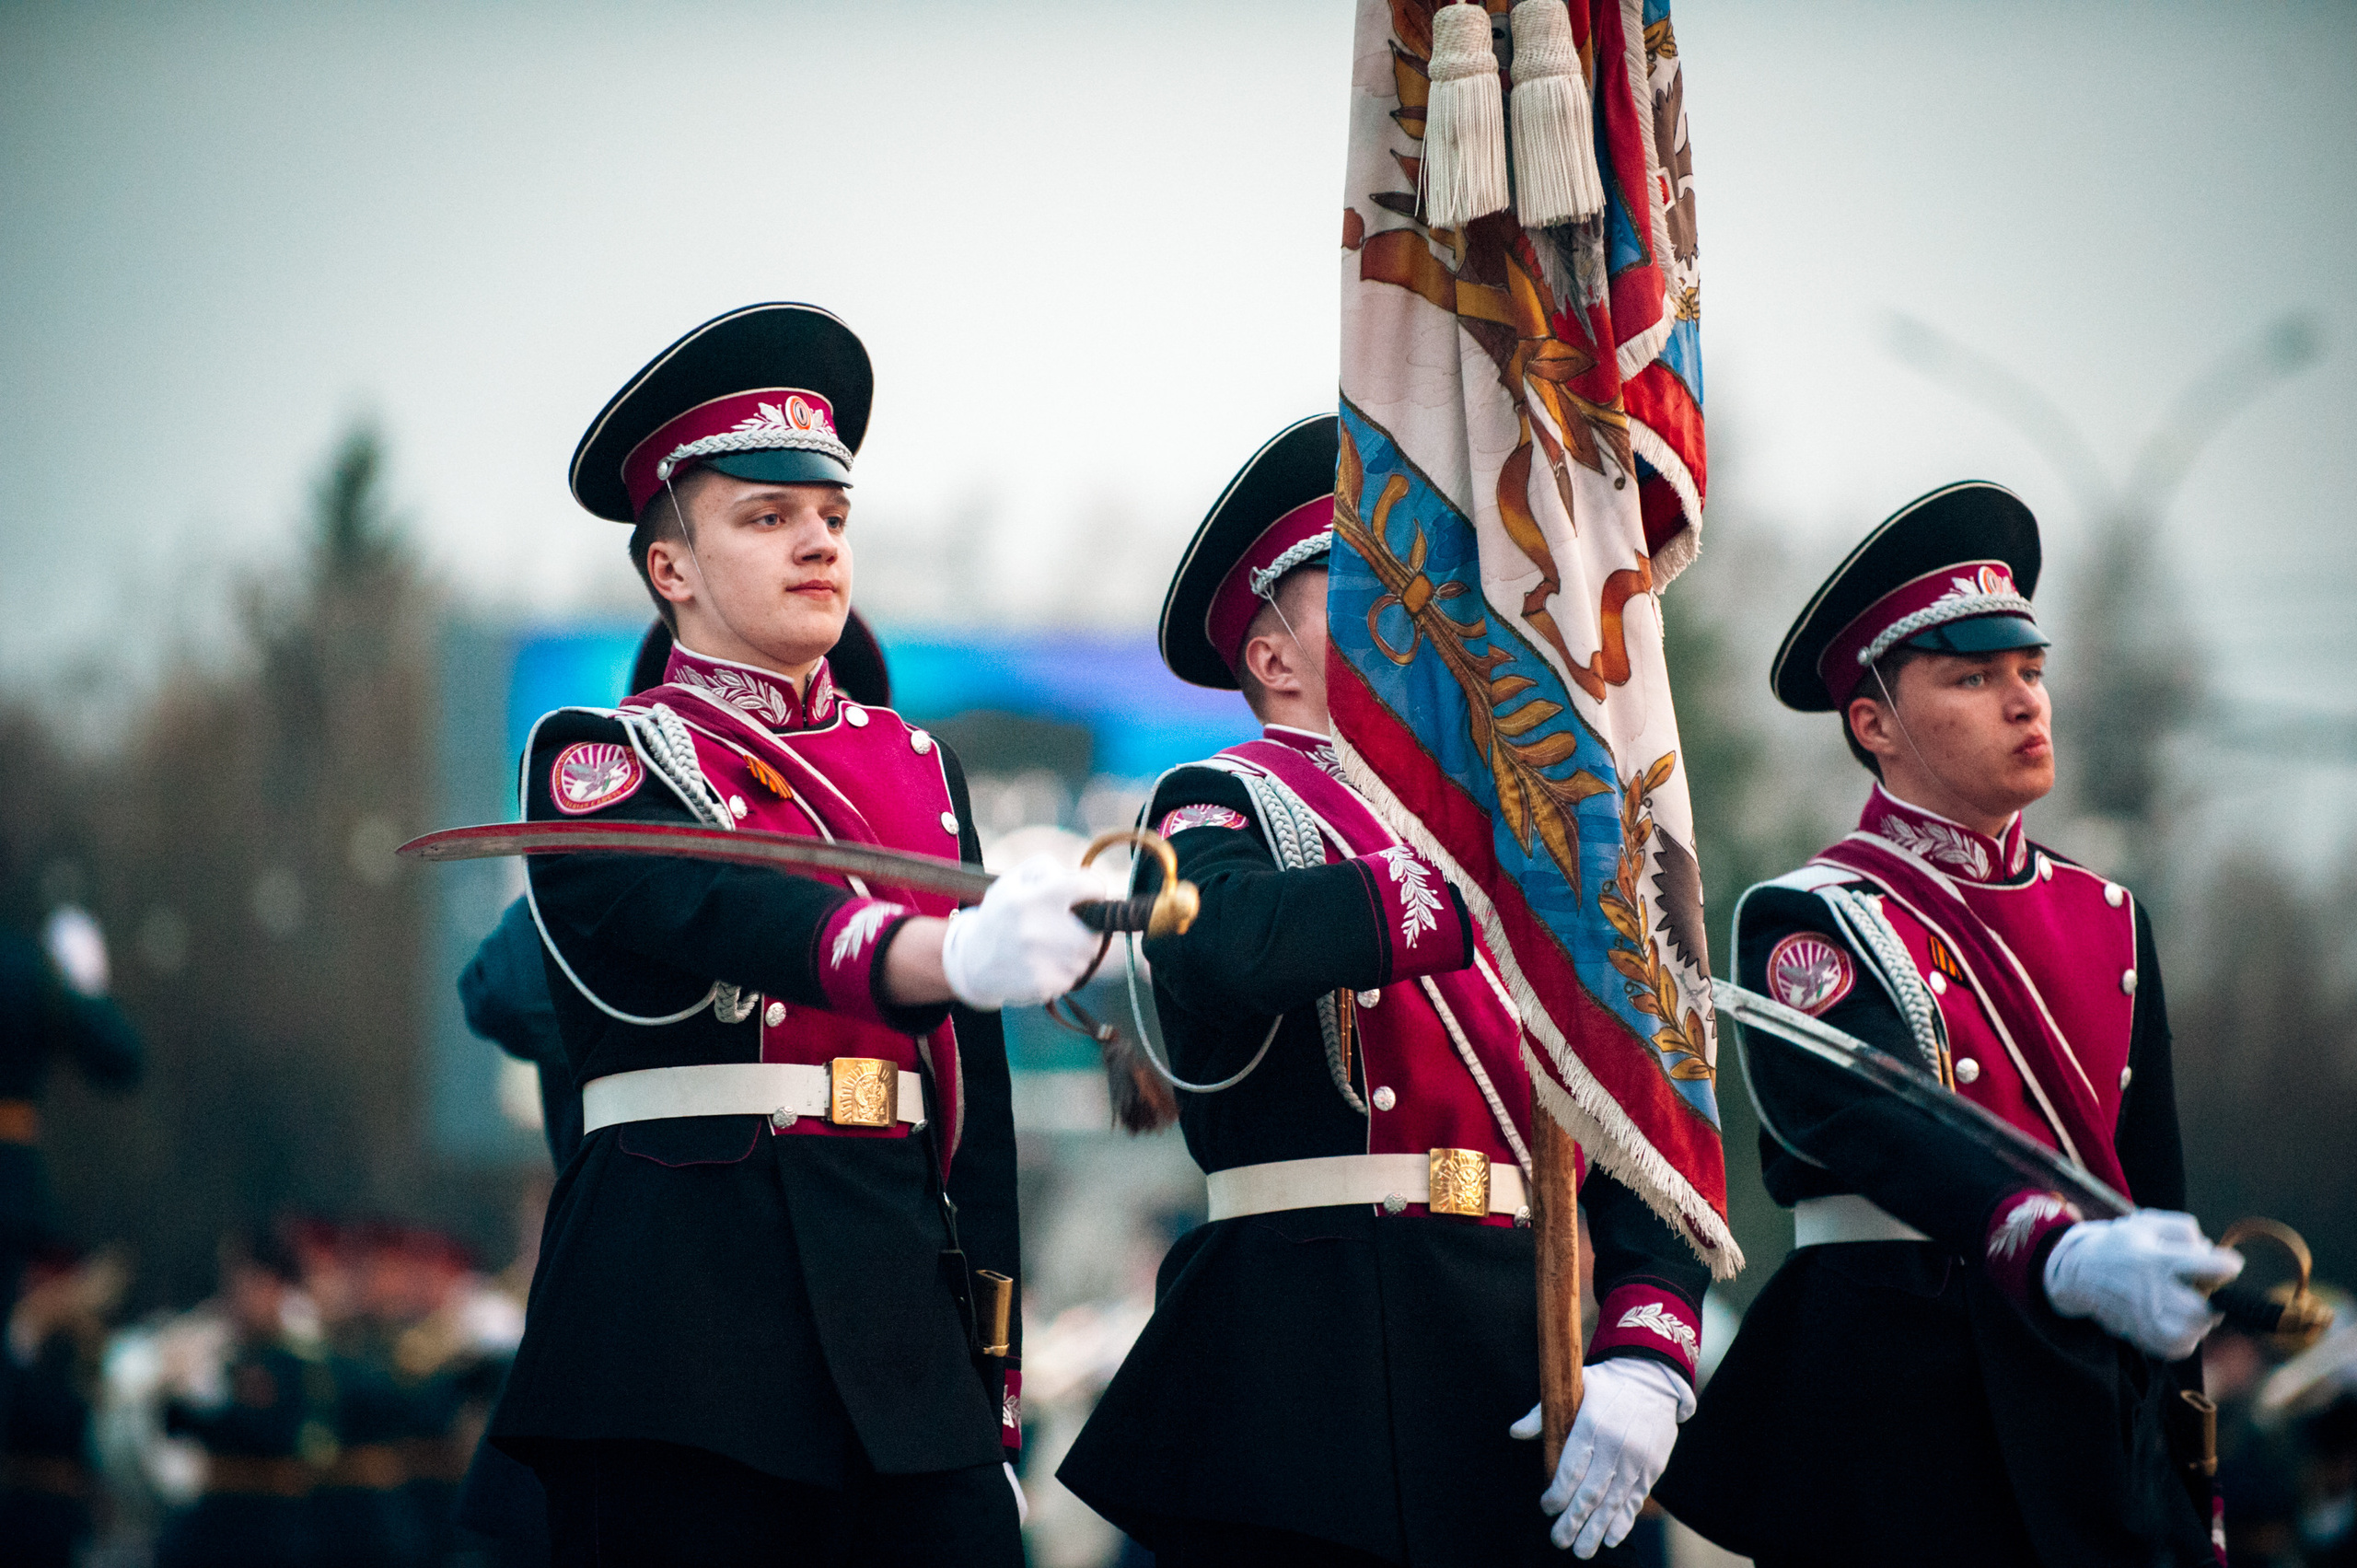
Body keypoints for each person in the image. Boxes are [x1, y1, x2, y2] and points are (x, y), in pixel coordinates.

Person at [483, 302, 1102, 1567]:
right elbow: (721, 904)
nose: (816, 541)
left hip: (901, 1339)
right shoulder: (602, 755)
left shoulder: (919, 765)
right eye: (765, 518)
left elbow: (968, 1129)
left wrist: (990, 1386)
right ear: (672, 568)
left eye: (831, 516)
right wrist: (922, 953)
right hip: (684, 1330)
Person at [1058, 416, 1711, 1566]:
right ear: (1273, 658)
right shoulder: (1213, 798)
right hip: (1306, 1368)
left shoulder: (1534, 830)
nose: (1427, 607)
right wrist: (1478, 888)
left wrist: (1648, 1344)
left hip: (1519, 1349)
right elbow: (1227, 944)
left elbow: (1635, 1114)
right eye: (1372, 583)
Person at [1653, 482, 2239, 1567]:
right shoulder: (1812, 913)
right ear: (1872, 723)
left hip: (2081, 1411)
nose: (2025, 702)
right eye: (1972, 676)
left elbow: (2151, 1203)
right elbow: (1869, 1119)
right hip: (1898, 1408)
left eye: (2029, 670)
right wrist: (2050, 1246)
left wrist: (2186, 1459)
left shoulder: (2112, 920)